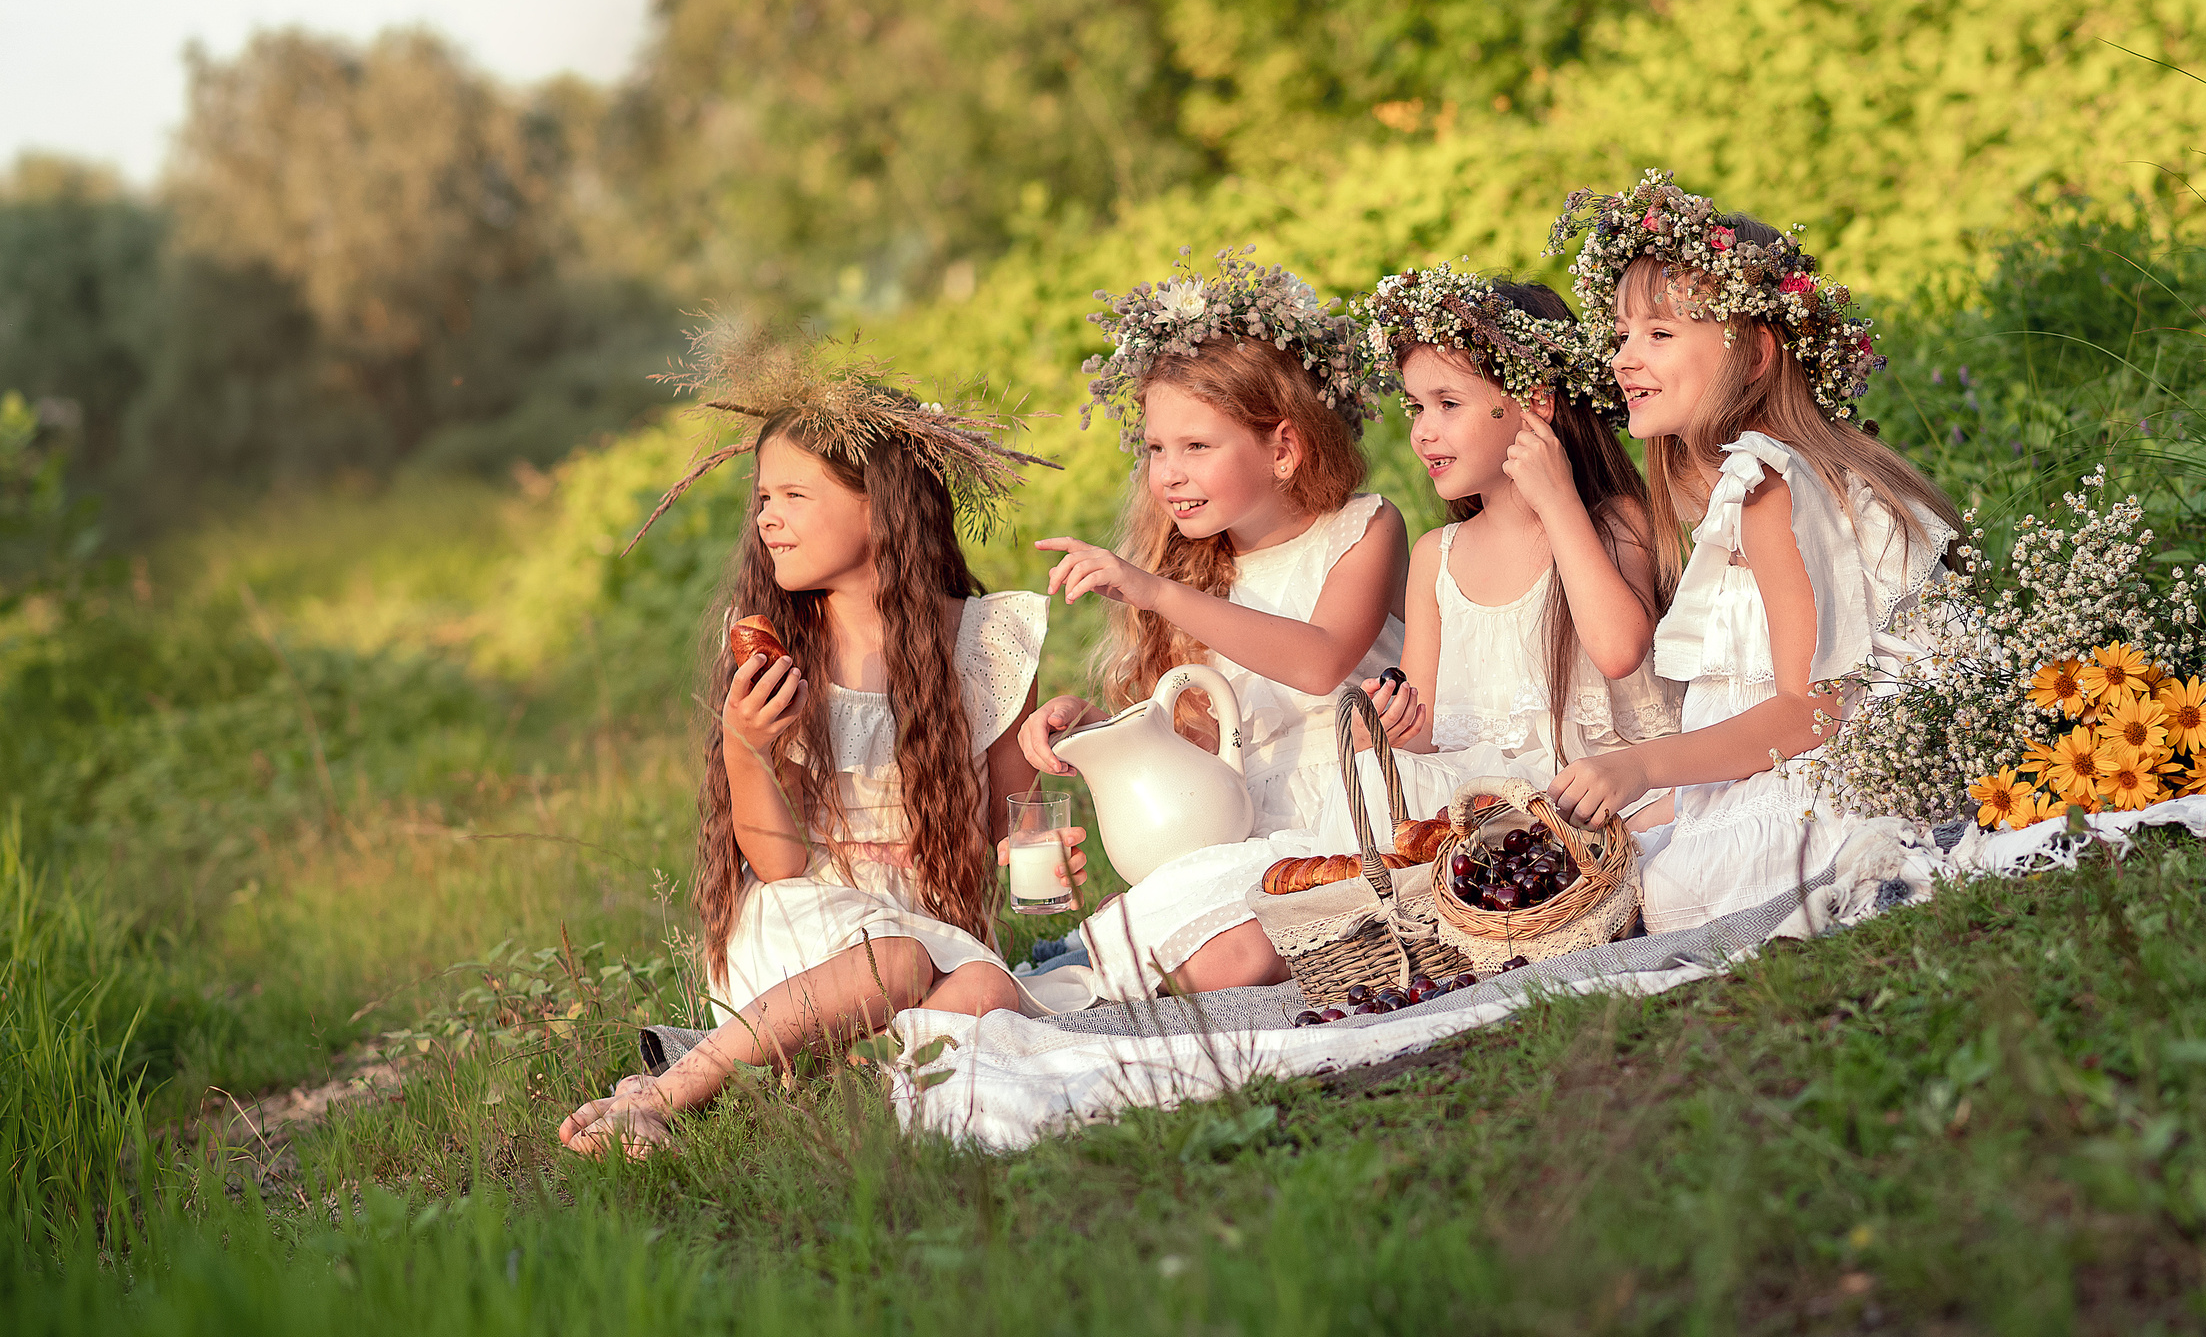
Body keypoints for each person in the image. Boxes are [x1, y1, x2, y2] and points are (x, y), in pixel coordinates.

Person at [558, 329, 1077, 1157]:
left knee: (988, 989)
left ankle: (824, 1077)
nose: (765, 516)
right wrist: (745, 748)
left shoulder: (987, 642)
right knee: (896, 965)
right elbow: (780, 865)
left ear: (883, 504)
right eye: (763, 497)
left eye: (794, 495)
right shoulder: (776, 653)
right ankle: (669, 1091)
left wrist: (1043, 822)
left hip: (933, 925)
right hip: (807, 924)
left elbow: (1006, 830)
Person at [1540, 174, 1959, 933]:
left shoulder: (1770, 480)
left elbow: (1813, 710)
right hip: (1849, 754)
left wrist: (1640, 763)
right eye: (1621, 336)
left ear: (1757, 354)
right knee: (1631, 843)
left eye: (1660, 335)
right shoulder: (1768, 478)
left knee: (1669, 887)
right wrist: (1641, 801)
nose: (1625, 360)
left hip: (1858, 770)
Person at [1018, 250, 1405, 998]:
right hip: (1239, 831)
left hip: (1354, 813)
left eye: (1197, 447)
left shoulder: (1362, 529)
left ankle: (1089, 990)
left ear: (1284, 448)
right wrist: (1102, 730)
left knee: (1242, 954)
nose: (1168, 473)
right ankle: (1082, 983)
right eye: (1158, 449)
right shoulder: (1201, 573)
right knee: (1183, 930)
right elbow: (1204, 745)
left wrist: (1155, 591)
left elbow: (1321, 662)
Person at [1309, 267, 1679, 836]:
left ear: (1534, 401)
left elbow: (1618, 650)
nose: (1423, 432)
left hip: (1612, 801)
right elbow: (1428, 724)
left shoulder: (1613, 522)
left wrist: (1558, 504)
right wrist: (1386, 727)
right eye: (1417, 409)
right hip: (1494, 810)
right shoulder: (1437, 556)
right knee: (1380, 796)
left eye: (1448, 404)